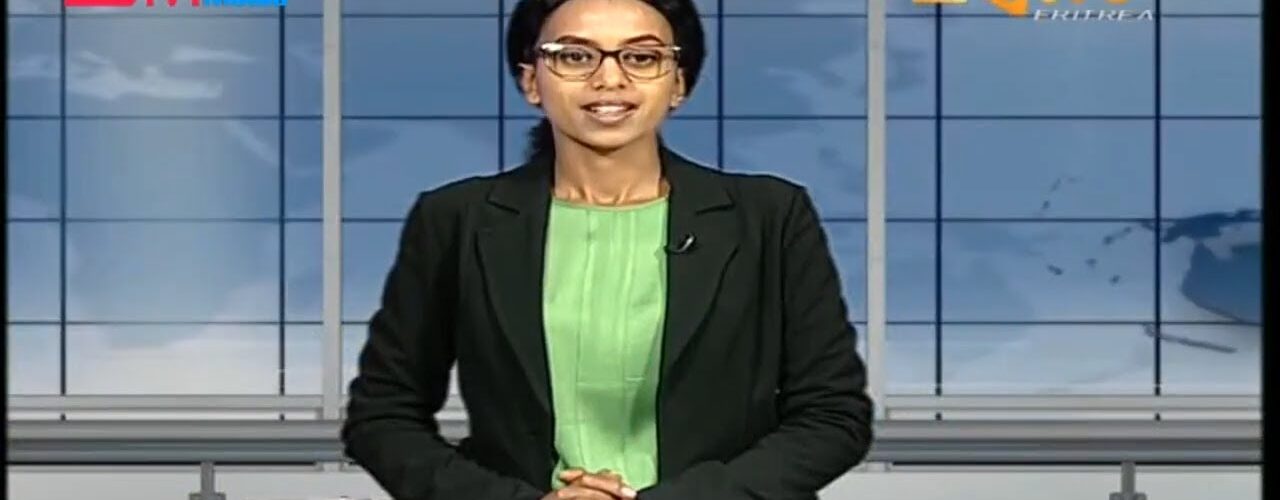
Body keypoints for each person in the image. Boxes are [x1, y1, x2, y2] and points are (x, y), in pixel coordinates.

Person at [340, 0, 875, 498]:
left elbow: (833, 417)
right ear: (531, 80)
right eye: (575, 56)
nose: (610, 78)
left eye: (642, 57)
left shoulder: (770, 216)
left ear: (678, 83)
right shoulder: (456, 219)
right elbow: (382, 417)